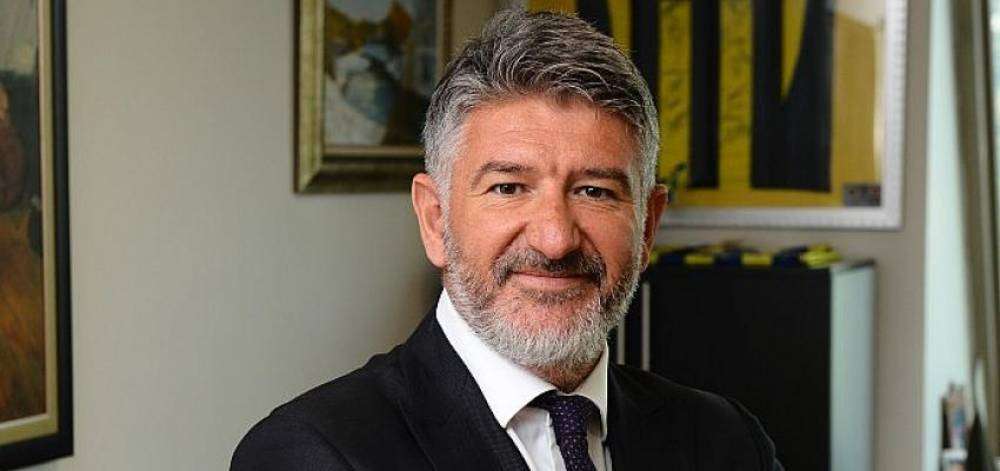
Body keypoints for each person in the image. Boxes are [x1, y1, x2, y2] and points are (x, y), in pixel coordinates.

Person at [232, 9, 782, 471]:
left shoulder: (727, 442)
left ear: (647, 227)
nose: (555, 240)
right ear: (435, 220)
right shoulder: (313, 454)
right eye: (508, 187)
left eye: (594, 191)